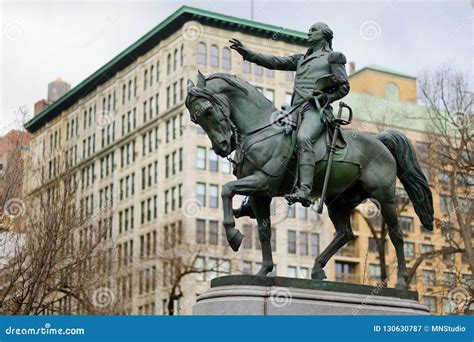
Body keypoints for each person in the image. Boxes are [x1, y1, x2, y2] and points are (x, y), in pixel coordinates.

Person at [229, 22, 350, 207]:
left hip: (316, 110)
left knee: (304, 139)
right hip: (295, 110)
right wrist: (248, 54)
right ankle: (255, 194)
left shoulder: (333, 57)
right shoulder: (301, 59)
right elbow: (275, 62)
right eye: (308, 30)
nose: (308, 33)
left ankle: (304, 190)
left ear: (324, 35)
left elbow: (344, 87)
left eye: (313, 31)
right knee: (271, 139)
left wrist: (325, 95)